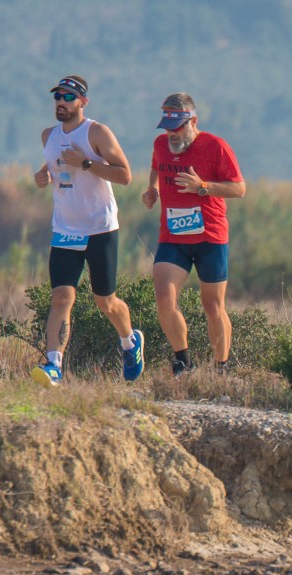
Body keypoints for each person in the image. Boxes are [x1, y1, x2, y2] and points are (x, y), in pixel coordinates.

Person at [32, 75, 144, 387]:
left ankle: (130, 341)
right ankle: (53, 364)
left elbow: (125, 175)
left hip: (99, 228)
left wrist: (85, 164)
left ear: (83, 102)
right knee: (61, 297)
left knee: (105, 301)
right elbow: (53, 165)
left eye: (68, 97)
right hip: (65, 228)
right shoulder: (48, 136)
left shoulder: (96, 132)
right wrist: (43, 177)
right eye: (57, 96)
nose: (61, 102)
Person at [143, 94, 245, 376]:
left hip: (210, 236)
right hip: (173, 236)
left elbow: (238, 188)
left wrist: (203, 186)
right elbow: (156, 165)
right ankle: (182, 362)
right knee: (164, 297)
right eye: (168, 127)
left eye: (178, 127)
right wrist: (153, 189)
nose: (172, 133)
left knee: (212, 305)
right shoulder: (160, 144)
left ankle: (221, 367)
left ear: (193, 121)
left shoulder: (215, 146)